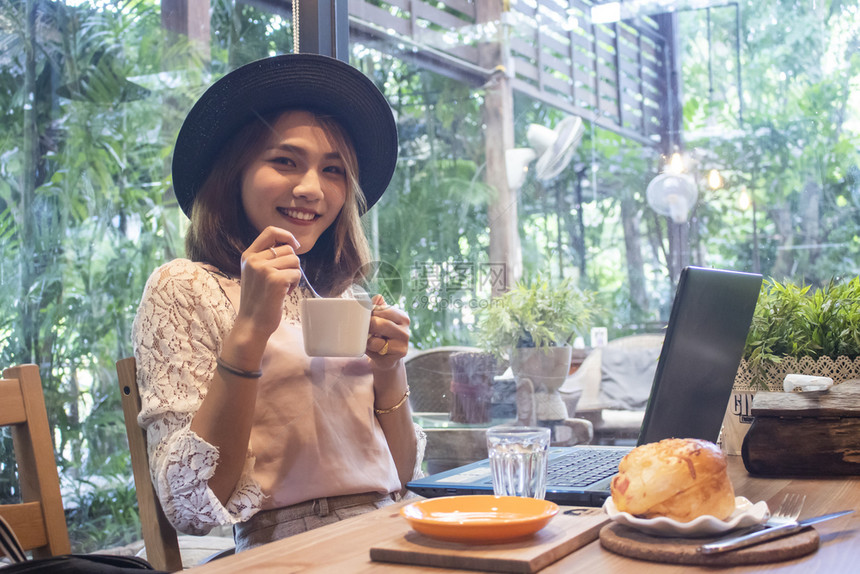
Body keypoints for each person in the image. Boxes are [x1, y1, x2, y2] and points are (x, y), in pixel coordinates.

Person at [132, 53, 425, 552]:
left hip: (391, 525)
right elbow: (187, 507)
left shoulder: (343, 296)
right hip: (287, 545)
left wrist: (388, 369)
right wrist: (248, 332)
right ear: (234, 172)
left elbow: (399, 474)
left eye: (333, 170)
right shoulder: (184, 287)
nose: (312, 189)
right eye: (285, 161)